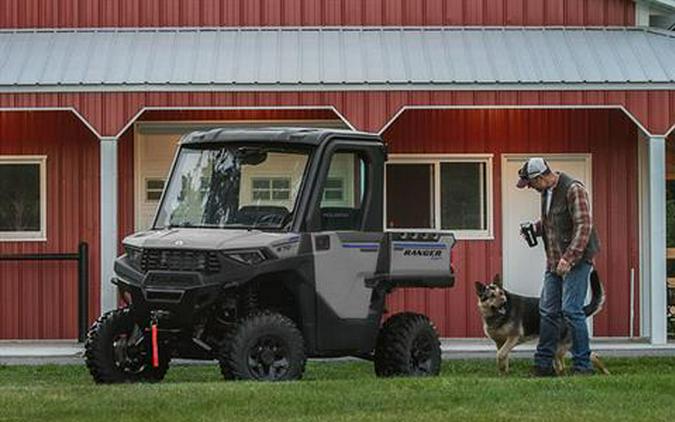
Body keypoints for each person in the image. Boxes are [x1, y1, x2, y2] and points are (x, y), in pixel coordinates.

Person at [516, 157, 600, 376]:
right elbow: (551, 223)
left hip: (577, 260)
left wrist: (569, 258)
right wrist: (534, 229)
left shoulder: (573, 189)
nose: (530, 188)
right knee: (548, 310)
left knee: (571, 310)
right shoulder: (546, 193)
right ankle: (543, 365)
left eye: (530, 183)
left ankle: (583, 366)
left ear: (540, 177)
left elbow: (584, 227)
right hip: (554, 260)